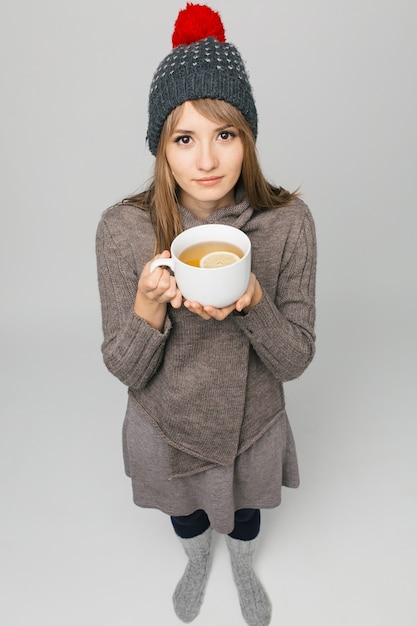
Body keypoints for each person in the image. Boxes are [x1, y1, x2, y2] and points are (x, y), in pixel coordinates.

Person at [96, 4, 316, 625]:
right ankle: (196, 556)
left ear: (248, 137)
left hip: (253, 422)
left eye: (226, 134)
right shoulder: (122, 230)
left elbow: (295, 358)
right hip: (165, 422)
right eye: (184, 138)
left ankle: (242, 562)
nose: (208, 161)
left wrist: (254, 302)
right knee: (185, 512)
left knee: (246, 514)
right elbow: (124, 368)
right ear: (161, 149)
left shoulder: (288, 225)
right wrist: (146, 308)